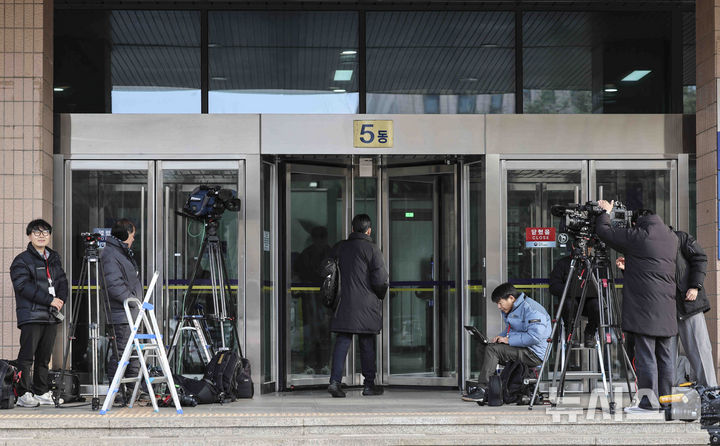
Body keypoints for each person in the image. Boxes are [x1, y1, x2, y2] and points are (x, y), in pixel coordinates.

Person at [595, 201, 677, 413]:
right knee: (665, 357)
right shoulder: (671, 237)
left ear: (637, 222)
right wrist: (630, 266)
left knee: (646, 355)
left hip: (645, 310)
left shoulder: (640, 235)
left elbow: (604, 231)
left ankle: (648, 403)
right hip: (666, 309)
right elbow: (652, 268)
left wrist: (606, 212)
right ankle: (666, 401)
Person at [617, 229, 716, 387]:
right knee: (666, 357)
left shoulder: (680, 238)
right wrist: (627, 269)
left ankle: (711, 393)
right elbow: (646, 279)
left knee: (700, 351)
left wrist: (695, 286)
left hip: (688, 304)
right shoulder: (645, 247)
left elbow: (700, 257)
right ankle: (668, 398)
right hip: (665, 309)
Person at [327, 214, 388, 398]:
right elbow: (380, 279)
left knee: (342, 341)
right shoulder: (372, 249)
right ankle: (369, 385)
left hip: (344, 302)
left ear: (353, 229)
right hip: (366, 303)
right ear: (369, 230)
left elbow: (325, 267)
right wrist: (380, 295)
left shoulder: (340, 247)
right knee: (367, 343)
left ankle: (335, 382)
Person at [10, 219, 69, 407]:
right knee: (27, 357)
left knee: (44, 357)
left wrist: (59, 301)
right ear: (29, 235)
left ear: (50, 235)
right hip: (31, 315)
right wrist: (49, 300)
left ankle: (41, 391)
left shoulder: (54, 257)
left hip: (51, 315)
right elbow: (22, 286)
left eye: (45, 232)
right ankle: (23, 393)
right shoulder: (21, 260)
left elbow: (62, 282)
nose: (41, 235)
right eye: (36, 232)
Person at [462, 283, 551, 402]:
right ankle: (494, 387)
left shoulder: (532, 309)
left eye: (500, 303)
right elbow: (511, 329)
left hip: (534, 354)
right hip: (522, 349)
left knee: (493, 350)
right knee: (485, 347)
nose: (499, 307)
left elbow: (534, 337)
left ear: (511, 298)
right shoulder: (513, 308)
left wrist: (508, 340)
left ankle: (484, 390)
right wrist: (501, 336)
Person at [101, 218, 143, 405]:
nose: (133, 239)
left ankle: (133, 390)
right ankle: (116, 391)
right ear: (126, 234)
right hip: (123, 314)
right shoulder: (111, 254)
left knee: (133, 354)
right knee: (121, 353)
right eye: (132, 235)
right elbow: (114, 285)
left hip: (131, 313)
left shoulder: (121, 252)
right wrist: (133, 301)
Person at [293, 226, 332, 375]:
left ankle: (322, 364)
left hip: (320, 299)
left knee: (323, 332)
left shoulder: (321, 253)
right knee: (312, 333)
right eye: (318, 238)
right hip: (311, 299)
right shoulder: (310, 254)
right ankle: (313, 363)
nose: (320, 241)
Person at [549, 249, 601, 348]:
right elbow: (553, 287)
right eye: (581, 247)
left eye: (587, 247)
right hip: (570, 303)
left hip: (588, 304)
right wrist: (570, 289)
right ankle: (571, 334)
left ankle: (590, 333)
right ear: (574, 247)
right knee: (569, 304)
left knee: (597, 305)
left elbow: (603, 287)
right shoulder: (563, 263)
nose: (584, 250)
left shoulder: (594, 264)